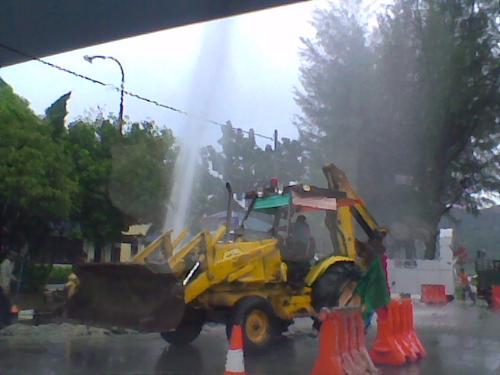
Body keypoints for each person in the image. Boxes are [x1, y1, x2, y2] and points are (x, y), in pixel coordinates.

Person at [285, 215, 315, 286]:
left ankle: (295, 280)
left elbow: (288, 228)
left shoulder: (298, 226)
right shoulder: (306, 226)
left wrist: (276, 228)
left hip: (300, 244)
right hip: (302, 246)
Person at [0, 251, 17, 326]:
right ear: (8, 255)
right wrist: (5, 288)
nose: (14, 258)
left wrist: (15, 279)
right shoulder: (4, 264)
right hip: (2, 286)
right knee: (5, 304)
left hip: (6, 286)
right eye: (13, 256)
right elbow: (3, 276)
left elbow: (9, 274)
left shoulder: (11, 263)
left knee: (6, 304)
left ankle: (6, 321)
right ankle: (5, 321)